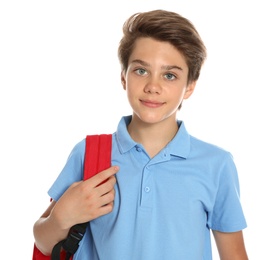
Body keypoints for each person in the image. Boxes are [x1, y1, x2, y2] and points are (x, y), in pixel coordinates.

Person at [33, 9, 248, 259]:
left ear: (189, 86)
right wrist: (62, 217)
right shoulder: (90, 152)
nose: (153, 87)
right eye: (141, 71)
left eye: (169, 75)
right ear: (124, 77)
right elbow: (43, 241)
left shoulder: (216, 165)